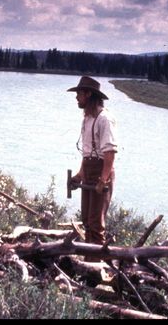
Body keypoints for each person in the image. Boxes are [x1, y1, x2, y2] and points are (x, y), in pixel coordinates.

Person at [67, 76, 117, 250]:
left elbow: (109, 153)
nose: (76, 97)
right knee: (87, 221)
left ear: (88, 94)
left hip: (101, 173)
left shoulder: (105, 119)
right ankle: (89, 263)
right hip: (89, 171)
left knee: (96, 225)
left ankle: (96, 267)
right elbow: (87, 152)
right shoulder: (87, 119)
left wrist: (103, 180)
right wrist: (80, 175)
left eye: (79, 93)